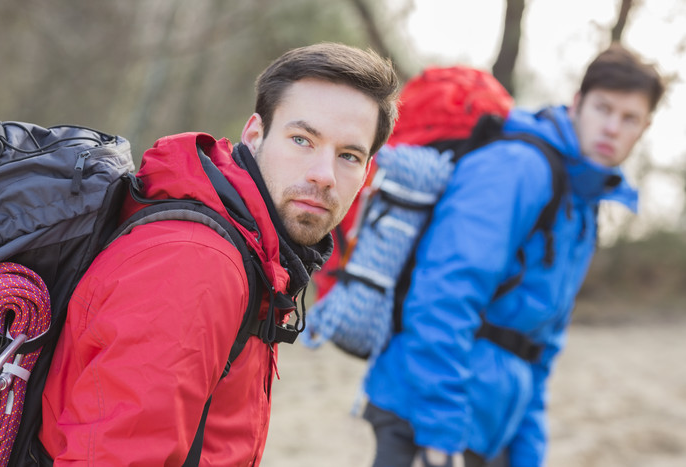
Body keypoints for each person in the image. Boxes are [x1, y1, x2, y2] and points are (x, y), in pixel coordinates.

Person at [37, 42, 399, 465]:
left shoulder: (256, 252)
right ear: (254, 134)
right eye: (302, 139)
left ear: (366, 173)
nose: (323, 175)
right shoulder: (198, 262)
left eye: (348, 156)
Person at [361, 43, 664, 467]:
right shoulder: (517, 168)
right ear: (577, 103)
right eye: (603, 108)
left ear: (644, 127)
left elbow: (540, 346)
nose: (612, 127)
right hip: (427, 415)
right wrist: (440, 431)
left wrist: (527, 452)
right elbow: (443, 295)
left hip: (489, 424)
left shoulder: (583, 204)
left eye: (629, 118)